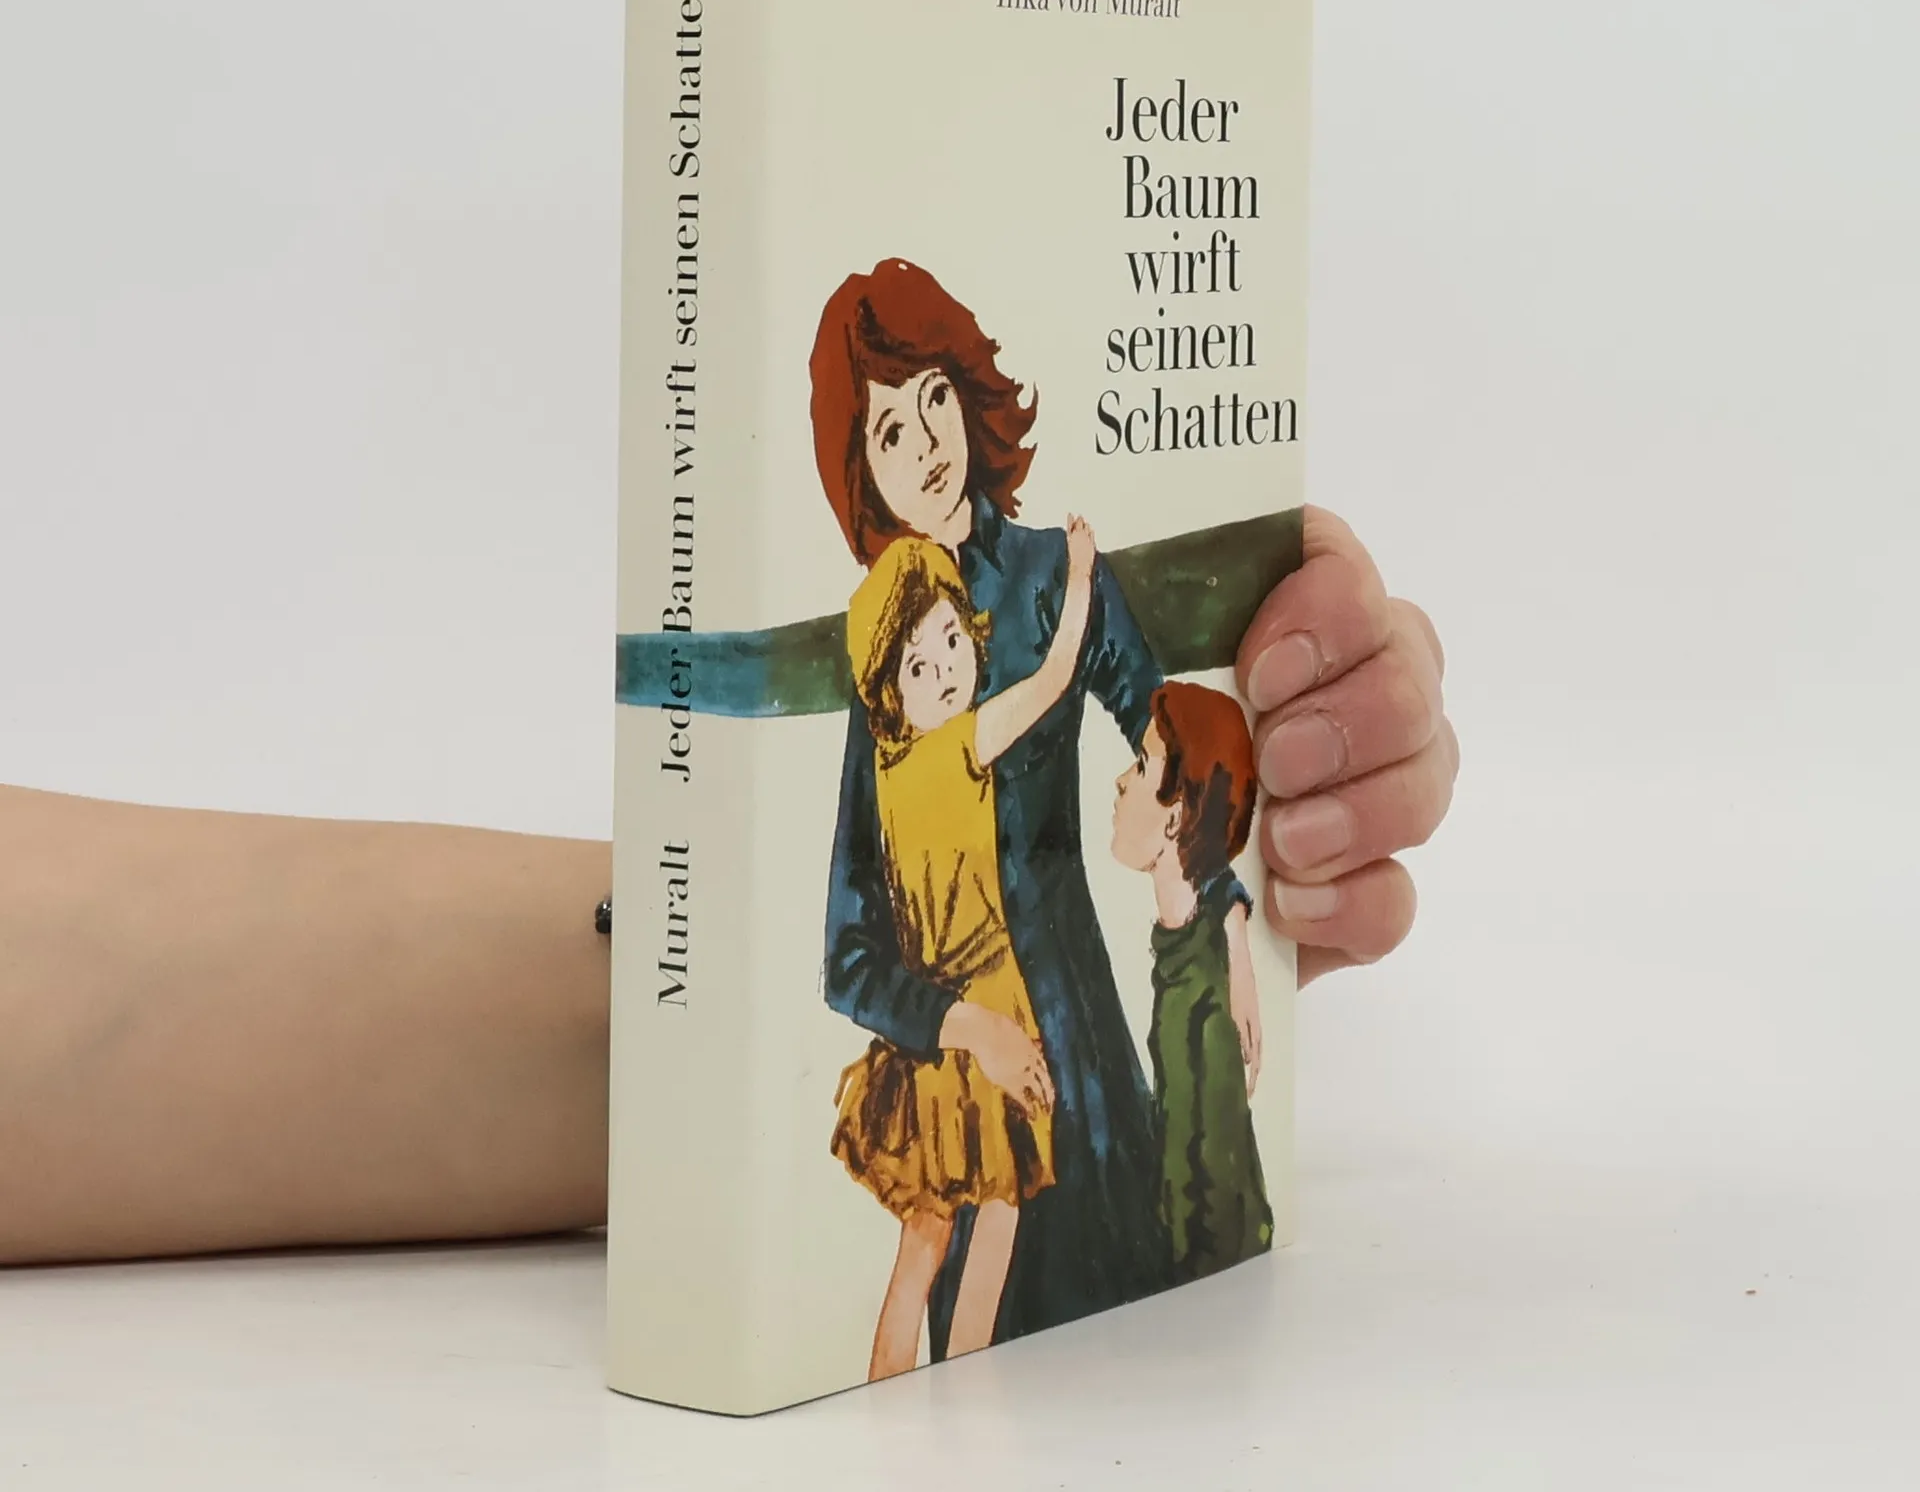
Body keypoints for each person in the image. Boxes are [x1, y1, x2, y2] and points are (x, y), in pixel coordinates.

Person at [0, 518, 1456, 1269]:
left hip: (1011, 1035)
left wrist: (1208, 906)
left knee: (960, 1246)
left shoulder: (943, 730)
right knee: (948, 1246)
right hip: (971, 1036)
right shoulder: (925, 744)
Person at [830, 522, 1098, 1377]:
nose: (945, 667)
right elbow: (1054, 677)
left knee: (929, 1235)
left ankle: (892, 1384)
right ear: (890, 693)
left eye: (950, 638)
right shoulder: (962, 742)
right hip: (983, 1004)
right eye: (918, 665)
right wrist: (1080, 576)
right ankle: (957, 1383)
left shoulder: (889, 770)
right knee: (991, 1220)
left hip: (940, 1021)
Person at [1111, 682, 1272, 1282]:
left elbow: (1221, 1206)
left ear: (1176, 816)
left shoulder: (1202, 993)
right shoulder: (1186, 950)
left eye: (1140, 765)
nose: (1120, 782)